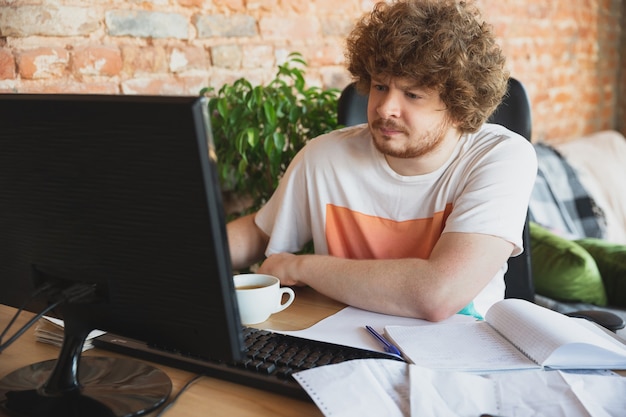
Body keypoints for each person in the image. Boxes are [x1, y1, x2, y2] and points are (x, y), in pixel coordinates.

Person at [227, 0, 537, 321]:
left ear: (459, 106)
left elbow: (438, 295)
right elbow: (259, 231)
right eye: (379, 86)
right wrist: (182, 254)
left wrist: (298, 265)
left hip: (460, 354)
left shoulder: (501, 157)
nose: (385, 108)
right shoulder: (323, 157)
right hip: (339, 346)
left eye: (412, 95)